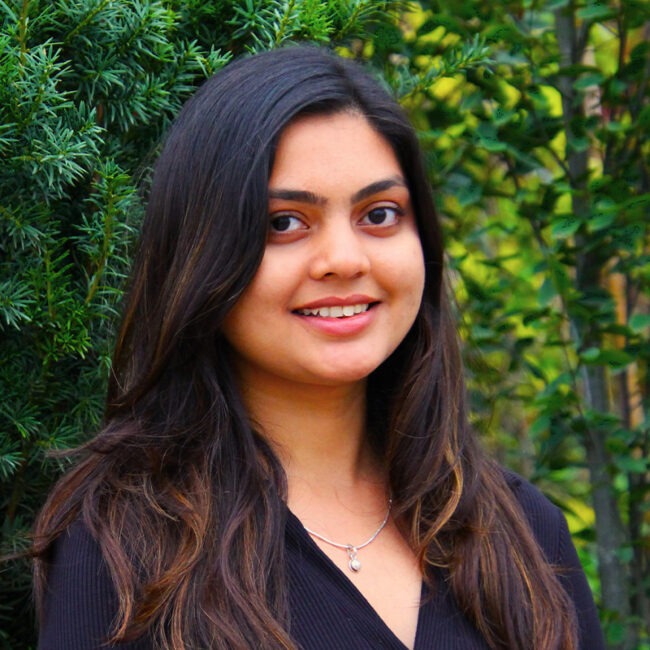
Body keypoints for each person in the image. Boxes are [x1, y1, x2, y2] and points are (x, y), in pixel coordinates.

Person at [32, 45, 605, 650]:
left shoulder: (523, 533)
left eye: (379, 214)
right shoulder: (128, 548)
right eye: (285, 223)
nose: (344, 260)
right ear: (204, 257)